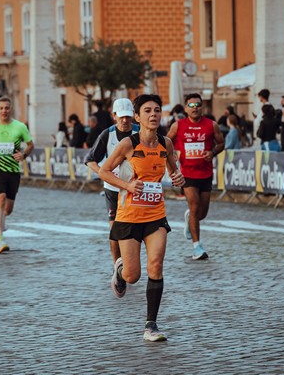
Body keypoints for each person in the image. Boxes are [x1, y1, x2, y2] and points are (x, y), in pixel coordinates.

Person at [98, 94, 185, 342]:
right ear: (137, 117)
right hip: (129, 216)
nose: (154, 114)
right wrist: (126, 185)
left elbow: (174, 172)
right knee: (133, 276)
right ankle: (120, 271)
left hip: (155, 215)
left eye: (157, 110)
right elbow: (104, 171)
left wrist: (178, 179)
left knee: (155, 265)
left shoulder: (166, 144)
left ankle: (151, 326)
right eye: (147, 110)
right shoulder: (127, 144)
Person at [167, 93, 224, 260]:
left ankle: (189, 219)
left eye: (198, 105)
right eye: (191, 105)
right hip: (187, 173)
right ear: (185, 108)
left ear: (202, 107)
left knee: (202, 212)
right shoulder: (178, 126)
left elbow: (221, 143)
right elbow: (165, 143)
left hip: (205, 173)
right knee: (194, 204)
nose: (195, 108)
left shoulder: (211, 125)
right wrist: (172, 158)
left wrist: (212, 152)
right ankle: (197, 247)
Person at [85, 98, 139, 265]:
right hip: (113, 188)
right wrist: (103, 173)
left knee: (135, 229)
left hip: (135, 189)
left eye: (128, 117)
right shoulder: (107, 134)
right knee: (114, 228)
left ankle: (131, 262)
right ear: (114, 115)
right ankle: (117, 265)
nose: (125, 121)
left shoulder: (140, 132)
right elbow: (90, 160)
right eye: (121, 117)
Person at [0, 96, 34, 253]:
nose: (4, 110)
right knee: (0, 200)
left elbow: (31, 144)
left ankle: (0, 220)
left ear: (11, 109)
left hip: (13, 172)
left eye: (7, 108)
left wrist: (23, 154)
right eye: (1, 108)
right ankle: (0, 240)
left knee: (8, 208)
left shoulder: (20, 127)